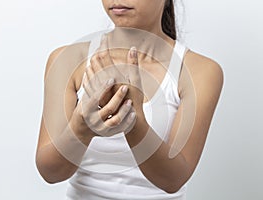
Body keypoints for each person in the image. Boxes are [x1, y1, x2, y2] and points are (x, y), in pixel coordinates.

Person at [35, 0, 224, 199]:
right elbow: (50, 172)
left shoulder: (200, 71)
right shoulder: (66, 60)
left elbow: (173, 180)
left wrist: (134, 123)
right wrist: (81, 129)